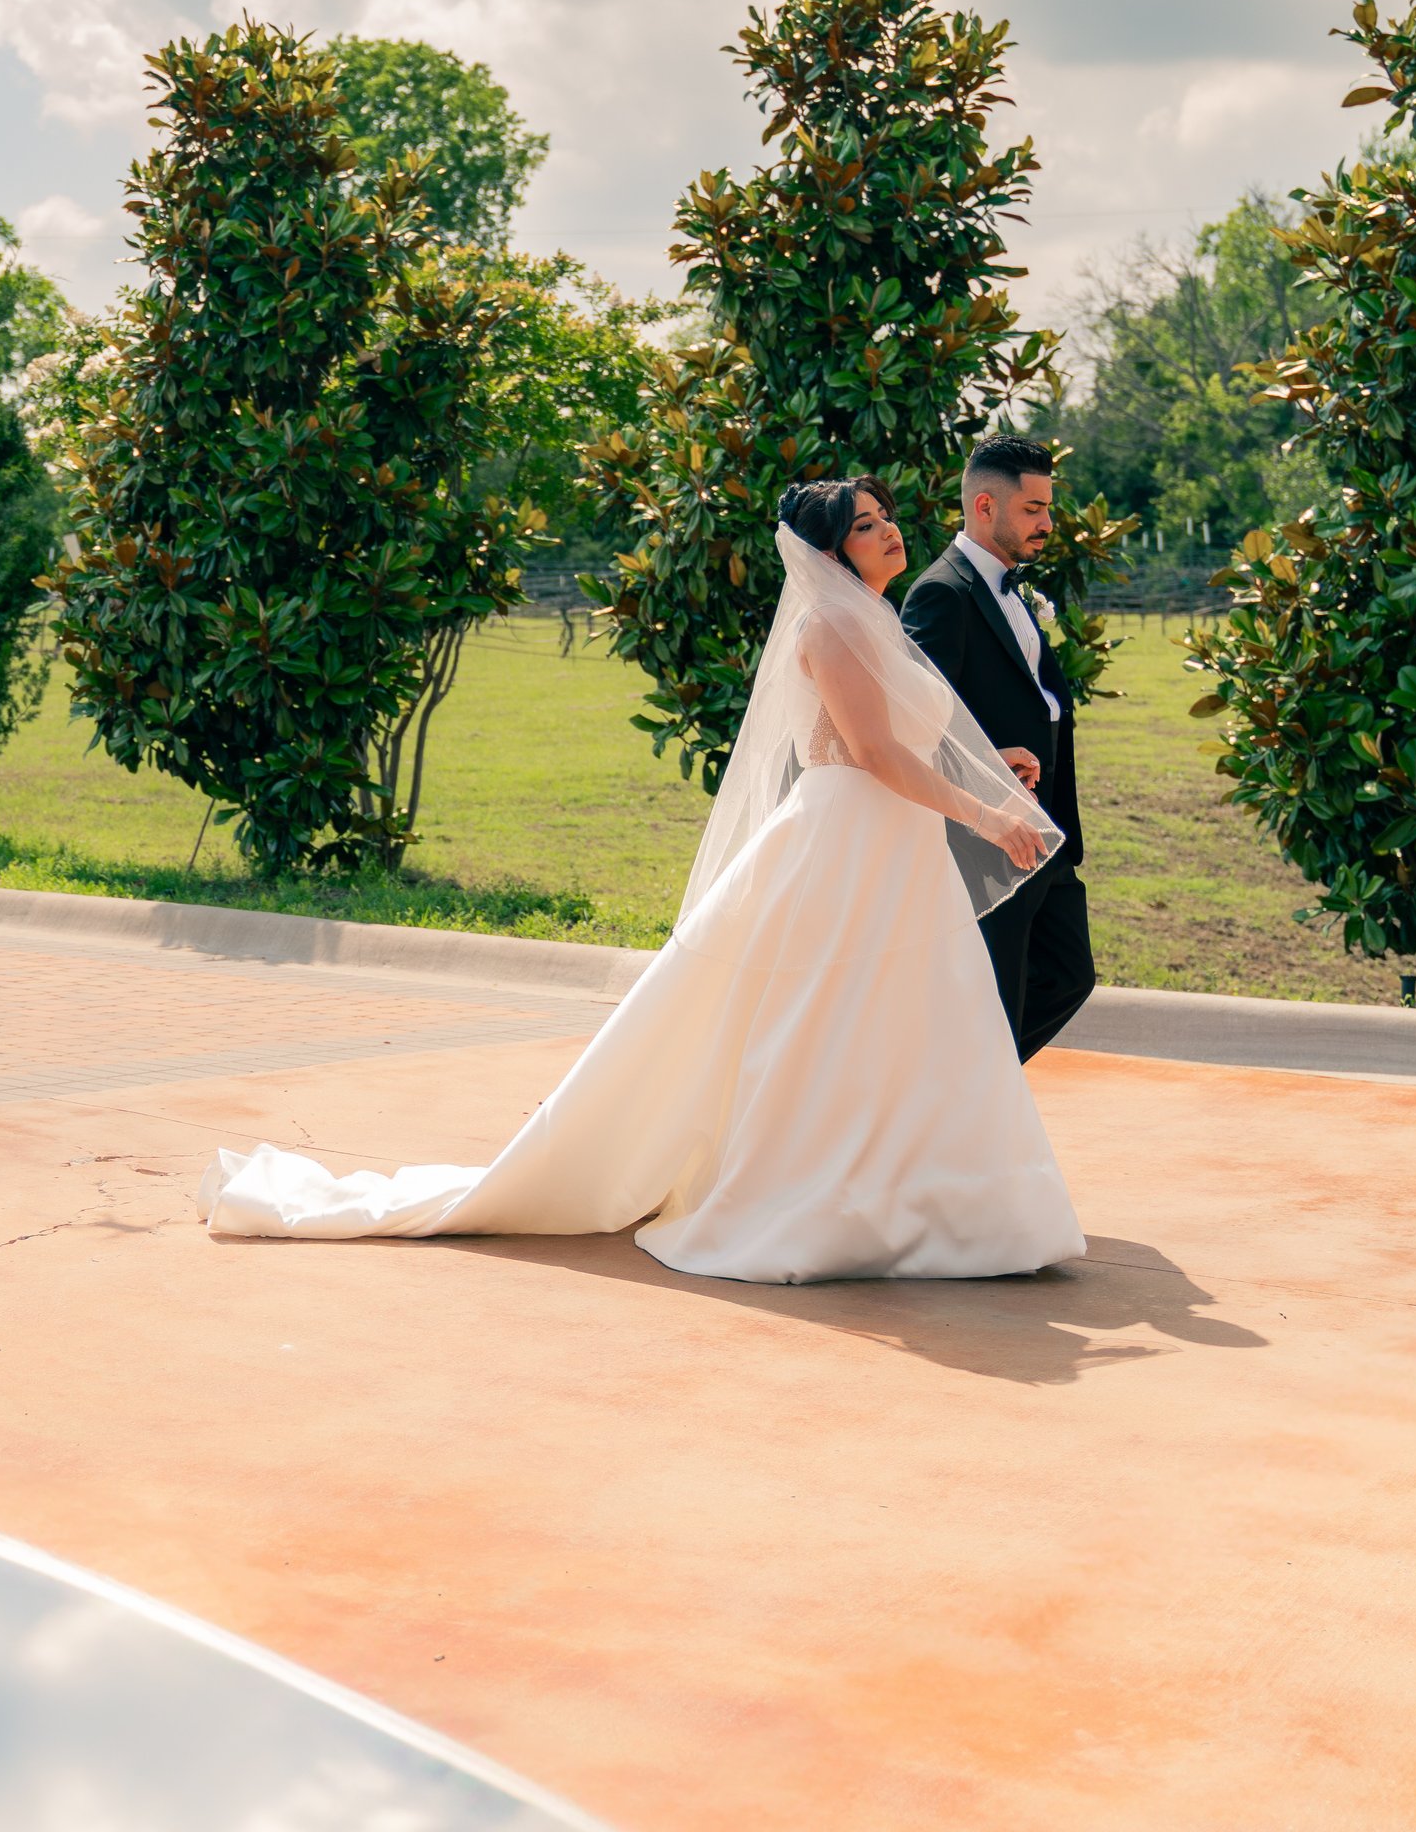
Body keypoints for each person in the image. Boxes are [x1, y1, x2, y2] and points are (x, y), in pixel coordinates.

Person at [201, 478, 1086, 1285]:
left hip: (897, 854)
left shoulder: (879, 621)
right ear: (827, 552)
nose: (889, 531)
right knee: (828, 1030)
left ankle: (934, 1199)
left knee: (915, 1025)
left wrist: (989, 765)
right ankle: (828, 1203)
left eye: (886, 517)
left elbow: (903, 740)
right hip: (846, 850)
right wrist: (990, 813)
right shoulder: (830, 627)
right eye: (866, 525)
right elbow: (871, 754)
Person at [900, 435, 1096, 1064]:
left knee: (1069, 974)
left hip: (1046, 827)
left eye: (1047, 508)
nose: (1047, 523)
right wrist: (988, 777)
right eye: (1033, 509)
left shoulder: (1015, 591)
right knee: (996, 992)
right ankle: (971, 1109)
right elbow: (919, 724)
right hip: (988, 835)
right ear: (985, 506)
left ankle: (977, 1096)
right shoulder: (942, 594)